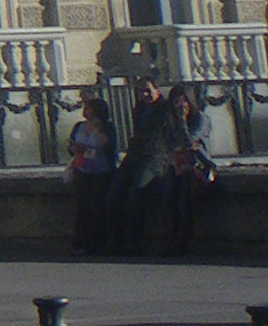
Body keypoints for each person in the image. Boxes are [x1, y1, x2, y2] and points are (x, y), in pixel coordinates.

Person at [116, 78, 175, 256]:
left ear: (157, 90)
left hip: (154, 156)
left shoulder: (165, 109)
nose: (145, 95)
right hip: (136, 154)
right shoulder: (140, 109)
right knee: (115, 191)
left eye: (148, 90)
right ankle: (117, 239)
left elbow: (168, 137)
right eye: (141, 91)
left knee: (137, 192)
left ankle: (135, 241)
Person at [161, 88, 215, 257]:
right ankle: (172, 238)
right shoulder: (170, 120)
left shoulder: (201, 118)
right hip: (177, 164)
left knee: (184, 201)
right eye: (176, 102)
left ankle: (182, 242)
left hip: (196, 165)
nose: (180, 105)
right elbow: (169, 143)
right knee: (169, 200)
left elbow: (188, 140)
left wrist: (183, 121)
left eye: (183, 101)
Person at [65, 95, 116, 257]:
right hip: (83, 169)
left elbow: (110, 147)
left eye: (88, 108)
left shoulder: (107, 127)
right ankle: (80, 242)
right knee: (83, 207)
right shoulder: (79, 126)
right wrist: (75, 148)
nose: (85, 111)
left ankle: (98, 242)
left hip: (101, 171)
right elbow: (70, 146)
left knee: (97, 207)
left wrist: (98, 130)